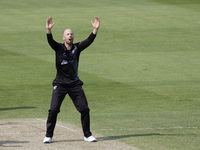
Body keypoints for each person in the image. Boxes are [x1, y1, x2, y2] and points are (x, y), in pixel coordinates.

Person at [43, 16, 100, 143]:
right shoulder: (58, 48)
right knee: (53, 110)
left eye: (71, 34)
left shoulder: (77, 48)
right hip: (60, 84)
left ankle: (87, 135)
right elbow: (50, 40)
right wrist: (48, 30)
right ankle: (48, 135)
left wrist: (95, 30)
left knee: (84, 109)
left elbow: (89, 41)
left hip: (75, 84)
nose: (70, 35)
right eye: (68, 34)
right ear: (63, 37)